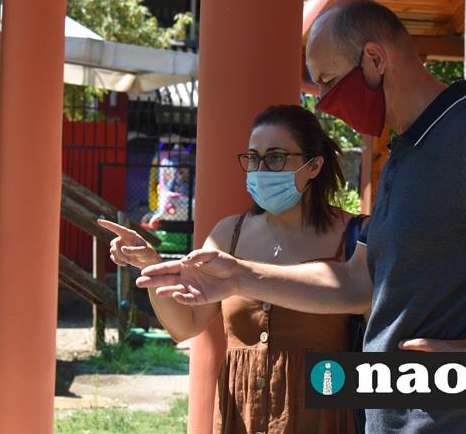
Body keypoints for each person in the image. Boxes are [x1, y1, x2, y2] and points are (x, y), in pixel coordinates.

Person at [136, 0, 466, 433]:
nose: (322, 101)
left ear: (375, 60)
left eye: (328, 81)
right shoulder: (407, 149)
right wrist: (240, 277)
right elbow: (358, 282)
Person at [99, 104, 366, 434]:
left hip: (322, 416)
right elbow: (185, 325)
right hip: (241, 415)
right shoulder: (229, 234)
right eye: (253, 158)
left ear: (313, 166)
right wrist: (153, 268)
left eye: (276, 157)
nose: (261, 170)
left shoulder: (353, 236)